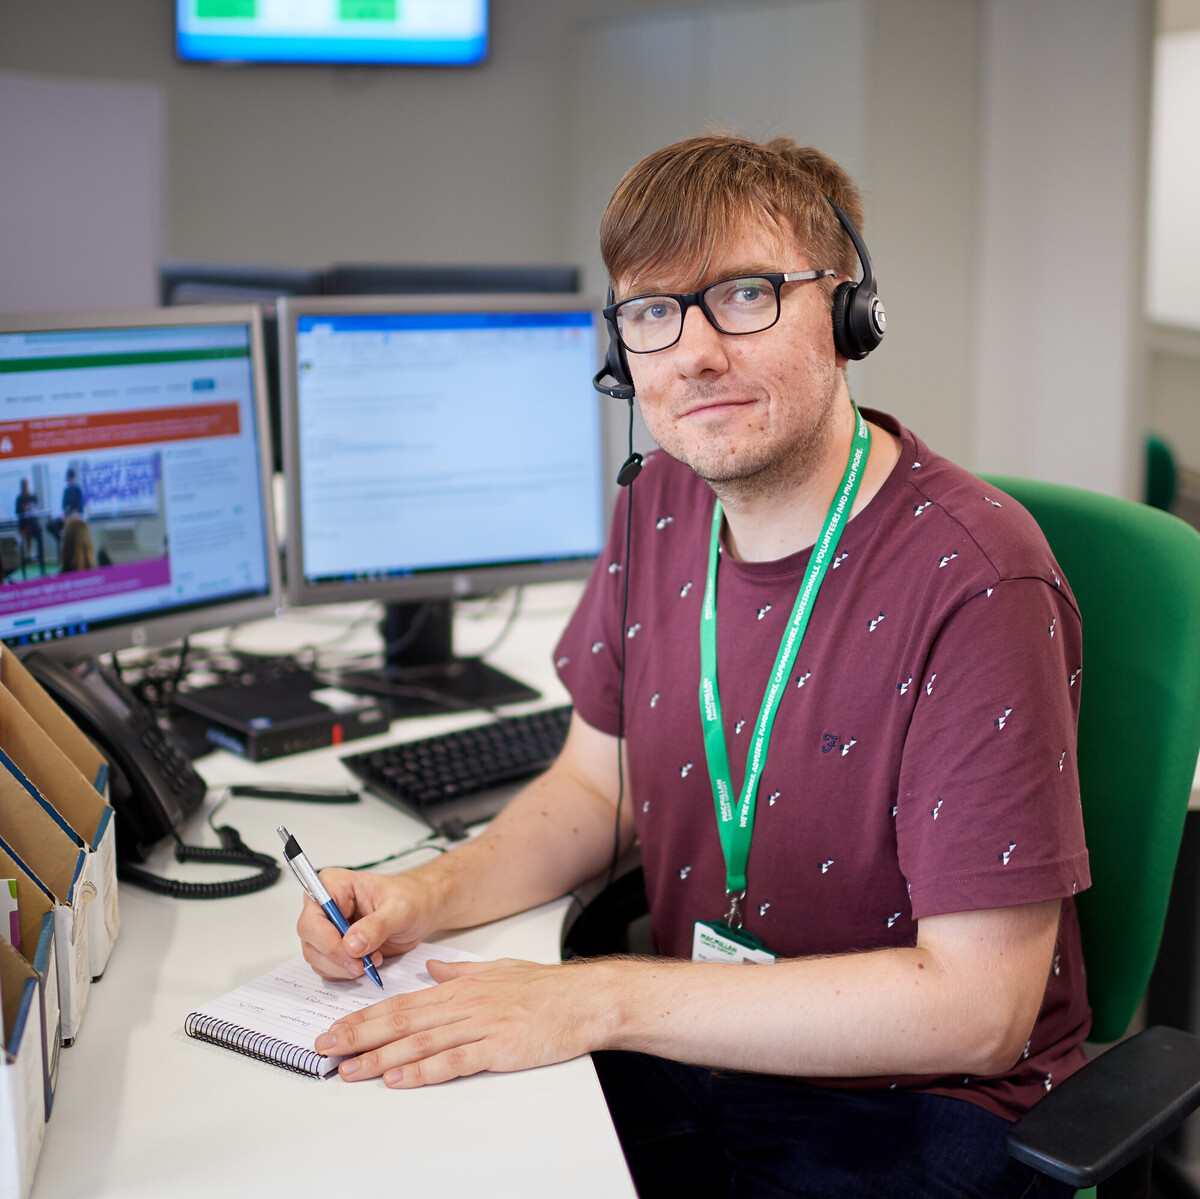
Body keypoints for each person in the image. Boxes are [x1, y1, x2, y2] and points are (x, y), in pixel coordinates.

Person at [296, 135, 1088, 1197]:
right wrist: (421, 895)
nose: (695, 354)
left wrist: (594, 998)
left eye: (746, 295)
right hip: (703, 1052)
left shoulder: (978, 577)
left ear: (849, 313)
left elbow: (977, 1009)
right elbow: (596, 790)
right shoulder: (661, 503)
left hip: (919, 1103)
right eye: (653, 311)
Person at [47, 467, 84, 542]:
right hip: (67, 517)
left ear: (71, 477)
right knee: (50, 525)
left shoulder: (77, 490)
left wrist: (69, 517)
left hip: (75, 516)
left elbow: (77, 508)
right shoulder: (66, 490)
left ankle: (66, 539)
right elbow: (64, 506)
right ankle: (62, 540)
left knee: (70, 526)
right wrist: (64, 515)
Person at [15, 478, 40, 558]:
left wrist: (30, 507)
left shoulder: (32, 496)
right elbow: (17, 512)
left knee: (32, 526)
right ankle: (29, 549)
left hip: (32, 522)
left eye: (25, 485)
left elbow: (37, 507)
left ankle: (20, 537)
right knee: (28, 526)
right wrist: (23, 508)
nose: (24, 487)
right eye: (23, 486)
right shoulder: (19, 498)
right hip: (24, 522)